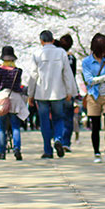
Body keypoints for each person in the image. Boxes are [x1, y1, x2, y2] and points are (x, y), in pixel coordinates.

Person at [27, 30, 77, 158]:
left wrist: (30, 94)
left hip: (41, 93)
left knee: (44, 121)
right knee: (58, 118)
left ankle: (47, 150)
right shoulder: (61, 53)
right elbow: (67, 73)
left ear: (41, 41)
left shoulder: (37, 53)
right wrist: (70, 91)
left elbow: (33, 75)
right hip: (58, 92)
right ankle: (58, 139)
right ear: (53, 40)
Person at [81, 33, 105, 163]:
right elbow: (89, 80)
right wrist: (104, 77)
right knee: (95, 126)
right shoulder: (86, 62)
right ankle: (96, 152)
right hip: (94, 96)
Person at [0, 46, 28, 160]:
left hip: (3, 96)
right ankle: (17, 149)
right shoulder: (18, 71)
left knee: (1, 127)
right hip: (15, 97)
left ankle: (2, 152)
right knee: (15, 126)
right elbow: (19, 85)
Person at [56, 33, 80, 151]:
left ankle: (58, 138)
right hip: (68, 89)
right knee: (68, 117)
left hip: (57, 89)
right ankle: (66, 142)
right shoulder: (72, 58)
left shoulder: (56, 56)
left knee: (57, 117)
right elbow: (73, 74)